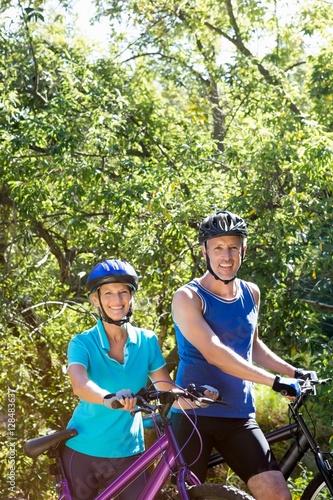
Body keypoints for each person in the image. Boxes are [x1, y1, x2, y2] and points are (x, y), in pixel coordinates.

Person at [170, 210, 317, 500]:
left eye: (233, 247)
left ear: (243, 250)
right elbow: (215, 353)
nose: (227, 256)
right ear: (205, 251)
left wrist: (294, 373)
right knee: (185, 496)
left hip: (238, 415)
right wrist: (274, 382)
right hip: (193, 415)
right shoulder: (188, 297)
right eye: (218, 248)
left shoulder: (251, 293)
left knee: (277, 494)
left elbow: (253, 347)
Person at [61, 259, 175, 500]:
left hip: (130, 453)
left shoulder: (147, 341)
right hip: (84, 449)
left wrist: (200, 398)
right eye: (109, 293)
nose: (117, 299)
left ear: (131, 297)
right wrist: (109, 398)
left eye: (123, 291)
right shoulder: (82, 343)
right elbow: (79, 384)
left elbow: (167, 388)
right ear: (96, 300)